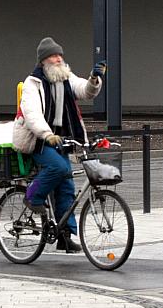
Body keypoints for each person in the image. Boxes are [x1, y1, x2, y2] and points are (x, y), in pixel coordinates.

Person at [12, 37, 106, 252]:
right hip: (37, 139)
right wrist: (46, 134)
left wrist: (94, 79)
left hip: (61, 139)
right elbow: (32, 113)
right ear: (44, 60)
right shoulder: (32, 83)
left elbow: (85, 91)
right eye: (55, 55)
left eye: (60, 55)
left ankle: (64, 235)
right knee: (60, 168)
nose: (59, 58)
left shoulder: (65, 78)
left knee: (66, 186)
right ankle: (32, 197)